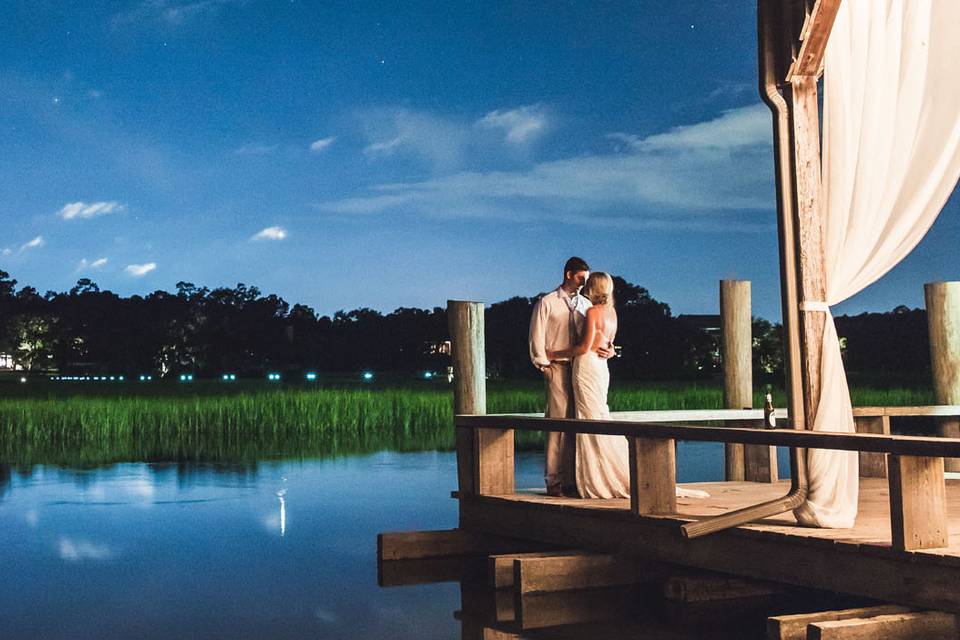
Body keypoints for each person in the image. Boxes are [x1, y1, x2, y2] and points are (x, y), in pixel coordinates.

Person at [549, 272, 709, 501]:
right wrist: (611, 351)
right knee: (598, 416)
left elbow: (584, 347)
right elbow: (608, 344)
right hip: (602, 367)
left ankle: (598, 480)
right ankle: (601, 474)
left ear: (593, 288)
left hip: (587, 367)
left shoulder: (593, 312)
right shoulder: (612, 313)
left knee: (590, 420)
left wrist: (555, 353)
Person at [529, 257, 614, 497]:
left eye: (586, 279)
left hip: (583, 369)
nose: (584, 283)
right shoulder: (547, 302)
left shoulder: (587, 305)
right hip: (557, 366)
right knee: (558, 423)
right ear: (568, 274)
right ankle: (554, 480)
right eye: (580, 278)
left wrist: (611, 350)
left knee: (581, 422)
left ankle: (576, 478)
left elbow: (600, 334)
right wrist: (544, 365)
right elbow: (537, 335)